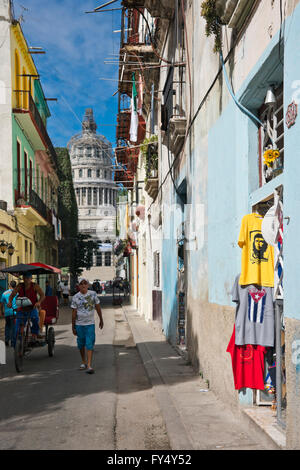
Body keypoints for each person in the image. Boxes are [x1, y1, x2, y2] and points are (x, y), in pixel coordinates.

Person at [71, 277, 104, 374]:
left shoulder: (93, 294)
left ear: (88, 285)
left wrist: (101, 319)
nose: (83, 285)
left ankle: (89, 365)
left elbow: (98, 307)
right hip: (79, 324)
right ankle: (83, 361)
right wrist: (73, 326)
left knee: (89, 343)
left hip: (90, 324)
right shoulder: (76, 297)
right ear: (78, 286)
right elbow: (73, 313)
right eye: (81, 284)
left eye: (85, 283)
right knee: (81, 344)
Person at [8, 272, 45, 345]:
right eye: (25, 278)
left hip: (32, 308)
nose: (27, 280)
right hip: (22, 310)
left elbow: (43, 295)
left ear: (31, 279)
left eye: (28, 278)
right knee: (17, 326)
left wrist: (39, 302)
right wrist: (9, 302)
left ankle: (35, 334)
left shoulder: (35, 286)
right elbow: (12, 295)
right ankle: (16, 343)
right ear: (23, 279)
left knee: (35, 320)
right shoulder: (19, 286)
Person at [0, 280, 17, 347]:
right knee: (13, 327)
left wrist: (1, 311)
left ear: (9, 285)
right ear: (15, 286)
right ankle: (13, 342)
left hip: (7, 313)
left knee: (7, 326)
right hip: (14, 313)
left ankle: (7, 340)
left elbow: (1, 303)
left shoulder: (4, 293)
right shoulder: (17, 293)